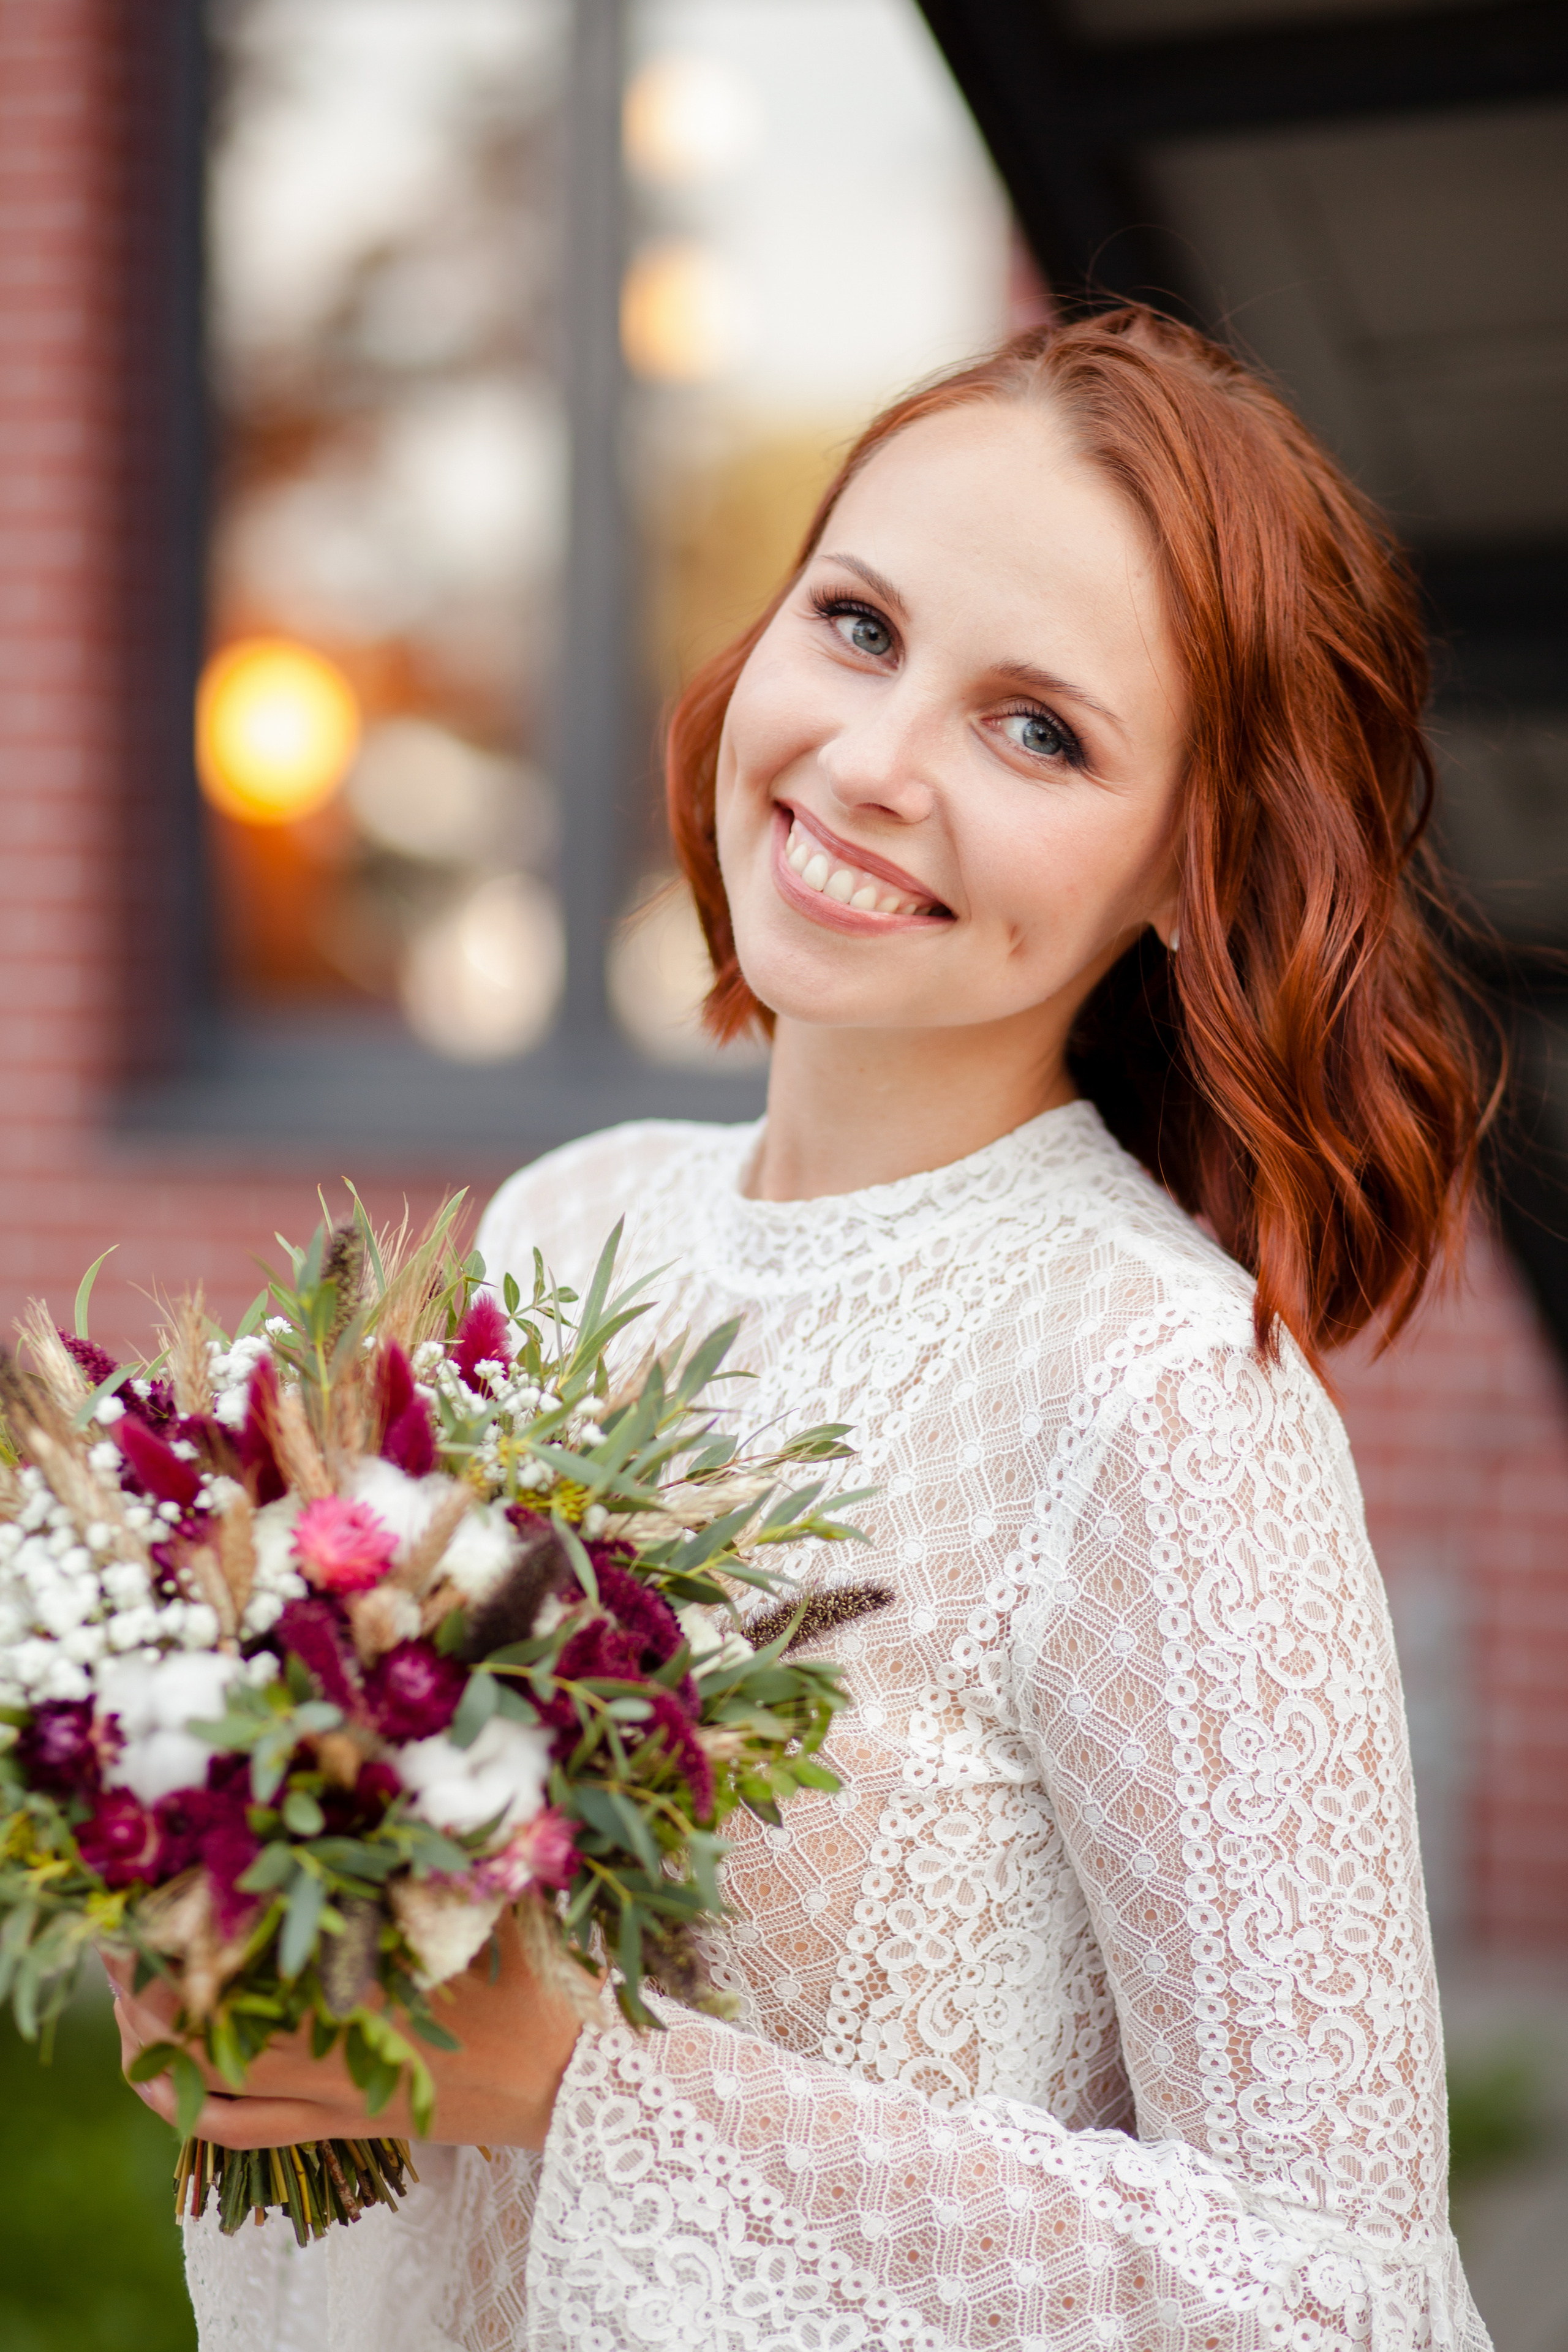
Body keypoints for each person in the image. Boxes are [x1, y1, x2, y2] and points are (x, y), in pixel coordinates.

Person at [131, 306, 1494, 2351]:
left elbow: (1344, 2302)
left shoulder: (1152, 1393)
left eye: (1039, 729)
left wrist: (603, 2091)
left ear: (1195, 874)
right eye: (859, 626)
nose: (872, 763)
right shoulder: (563, 1228)